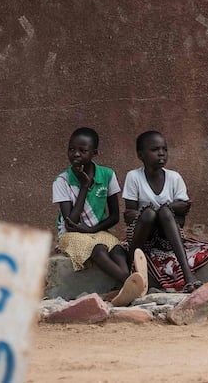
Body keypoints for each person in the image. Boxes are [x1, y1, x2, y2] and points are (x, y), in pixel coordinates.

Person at [53, 127, 147, 305]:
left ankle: (123, 288)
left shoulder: (107, 175)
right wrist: (84, 186)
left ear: (94, 153)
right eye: (71, 149)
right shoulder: (62, 181)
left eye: (83, 150)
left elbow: (114, 217)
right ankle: (131, 282)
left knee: (118, 249)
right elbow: (70, 222)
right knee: (98, 250)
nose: (76, 154)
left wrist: (92, 229)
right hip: (70, 234)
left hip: (96, 231)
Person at [124, 131, 208, 293]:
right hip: (143, 237)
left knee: (163, 212)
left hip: (167, 238)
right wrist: (156, 212)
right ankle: (130, 262)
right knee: (150, 214)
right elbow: (129, 216)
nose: (161, 153)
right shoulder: (134, 177)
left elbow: (183, 210)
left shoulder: (174, 178)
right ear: (141, 155)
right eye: (155, 149)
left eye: (164, 149)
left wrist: (162, 211)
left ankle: (188, 275)